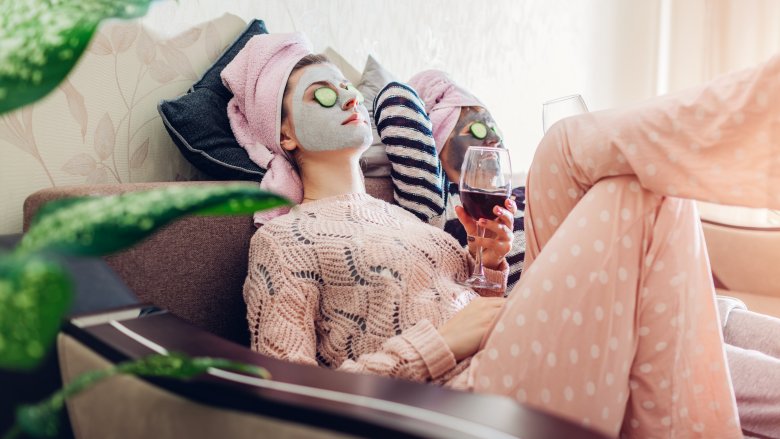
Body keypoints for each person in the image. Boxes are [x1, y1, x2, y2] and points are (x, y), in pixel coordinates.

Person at [220, 32, 780, 437]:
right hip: (452, 406)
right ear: (284, 133)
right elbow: (286, 408)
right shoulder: (283, 242)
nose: (345, 97)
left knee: (636, 186)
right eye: (320, 93)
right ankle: (761, 125)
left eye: (347, 88)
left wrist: (487, 269)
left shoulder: (414, 224)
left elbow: (477, 312)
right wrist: (443, 343)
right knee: (567, 149)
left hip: (505, 356)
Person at [398, 70, 780, 438]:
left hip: (653, 282)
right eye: (474, 131)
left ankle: (757, 127)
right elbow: (472, 317)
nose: (492, 139)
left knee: (570, 150)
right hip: (578, 310)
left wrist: (494, 261)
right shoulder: (447, 220)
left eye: (490, 123)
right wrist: (486, 265)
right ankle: (762, 135)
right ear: (437, 141)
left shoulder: (516, 192)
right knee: (612, 175)